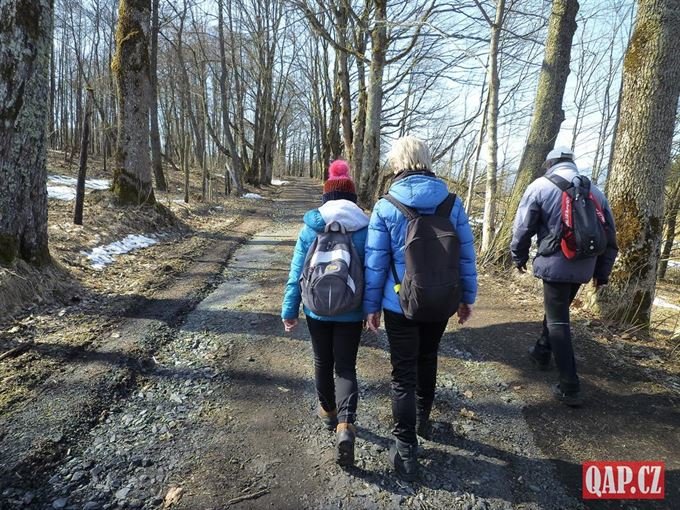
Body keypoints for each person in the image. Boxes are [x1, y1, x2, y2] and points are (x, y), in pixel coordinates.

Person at [363, 136, 478, 480]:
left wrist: (372, 307)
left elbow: (375, 263)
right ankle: (423, 418)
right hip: (441, 299)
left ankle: (406, 449)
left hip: (399, 303)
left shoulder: (386, 205)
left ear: (398, 163)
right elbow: (466, 256)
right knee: (428, 358)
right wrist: (466, 297)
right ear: (427, 161)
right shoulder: (452, 203)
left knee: (403, 374)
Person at [511, 146, 618, 407]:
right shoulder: (595, 191)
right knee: (557, 310)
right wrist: (601, 273)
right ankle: (541, 351)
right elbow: (610, 235)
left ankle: (570, 385)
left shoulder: (540, 186)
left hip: (555, 262)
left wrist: (518, 256)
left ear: (550, 163)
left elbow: (523, 226)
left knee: (558, 319)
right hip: (584, 265)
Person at [281, 160, 369, 467]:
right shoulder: (364, 226)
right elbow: (372, 273)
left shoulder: (311, 226)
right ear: (353, 197)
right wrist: (371, 311)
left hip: (316, 309)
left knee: (322, 360)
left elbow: (296, 273)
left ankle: (329, 411)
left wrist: (289, 309)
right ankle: (346, 424)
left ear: (325, 195)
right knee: (345, 366)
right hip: (351, 308)